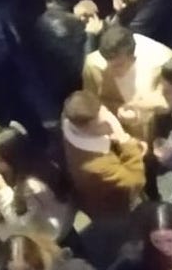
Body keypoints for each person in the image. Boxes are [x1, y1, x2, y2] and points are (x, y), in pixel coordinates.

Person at [60, 90, 148, 222]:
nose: (111, 121)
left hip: (99, 191)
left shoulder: (70, 118)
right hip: (113, 206)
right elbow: (136, 180)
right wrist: (126, 142)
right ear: (87, 129)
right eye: (103, 123)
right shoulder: (95, 167)